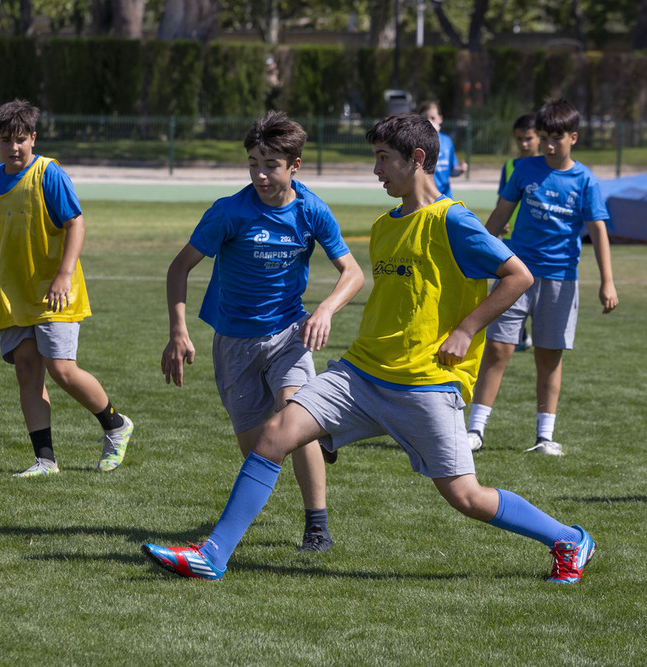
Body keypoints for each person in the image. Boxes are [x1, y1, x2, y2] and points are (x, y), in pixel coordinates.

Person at [143, 112, 596, 585]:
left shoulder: (453, 220)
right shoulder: (384, 226)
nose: (376, 170)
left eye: (383, 159)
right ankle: (213, 555)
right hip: (360, 374)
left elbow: (518, 275)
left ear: (417, 159)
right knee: (275, 434)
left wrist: (466, 329)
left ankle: (568, 539)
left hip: (425, 383)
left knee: (466, 496)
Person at [162, 111, 364, 552]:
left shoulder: (312, 211)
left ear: (294, 166)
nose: (260, 174)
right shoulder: (229, 212)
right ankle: (300, 458)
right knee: (259, 446)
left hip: (290, 333)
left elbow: (352, 272)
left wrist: (325, 310)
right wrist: (179, 330)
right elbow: (180, 267)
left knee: (295, 417)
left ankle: (317, 526)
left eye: (270, 164)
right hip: (234, 341)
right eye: (253, 162)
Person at [0, 99, 133, 476]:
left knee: (62, 369)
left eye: (20, 139)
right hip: (13, 293)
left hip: (54, 291)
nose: (13, 147)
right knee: (28, 373)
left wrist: (64, 274)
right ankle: (45, 461)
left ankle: (116, 425)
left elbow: (75, 223)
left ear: (33, 138)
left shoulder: (49, 173)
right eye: (5, 139)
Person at [466, 99, 618, 456]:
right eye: (545, 138)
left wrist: (607, 281)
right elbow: (500, 214)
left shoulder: (585, 181)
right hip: (516, 276)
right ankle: (474, 431)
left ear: (574, 138)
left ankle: (544, 437)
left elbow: (598, 231)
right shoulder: (524, 170)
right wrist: (475, 255)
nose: (549, 146)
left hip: (561, 280)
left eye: (557, 139)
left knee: (549, 357)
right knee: (498, 350)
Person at [499, 113, 541, 352]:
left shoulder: (547, 166)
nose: (524, 144)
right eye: (519, 139)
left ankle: (527, 333)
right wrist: (500, 221)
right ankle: (518, 334)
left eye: (529, 138)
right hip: (512, 240)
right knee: (511, 287)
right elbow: (502, 200)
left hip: (535, 241)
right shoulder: (510, 166)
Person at [418, 100, 467, 199]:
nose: (429, 121)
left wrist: (460, 170)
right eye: (424, 118)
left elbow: (451, 171)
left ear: (440, 119)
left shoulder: (447, 141)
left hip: (445, 197)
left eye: (432, 118)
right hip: (425, 198)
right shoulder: (417, 142)